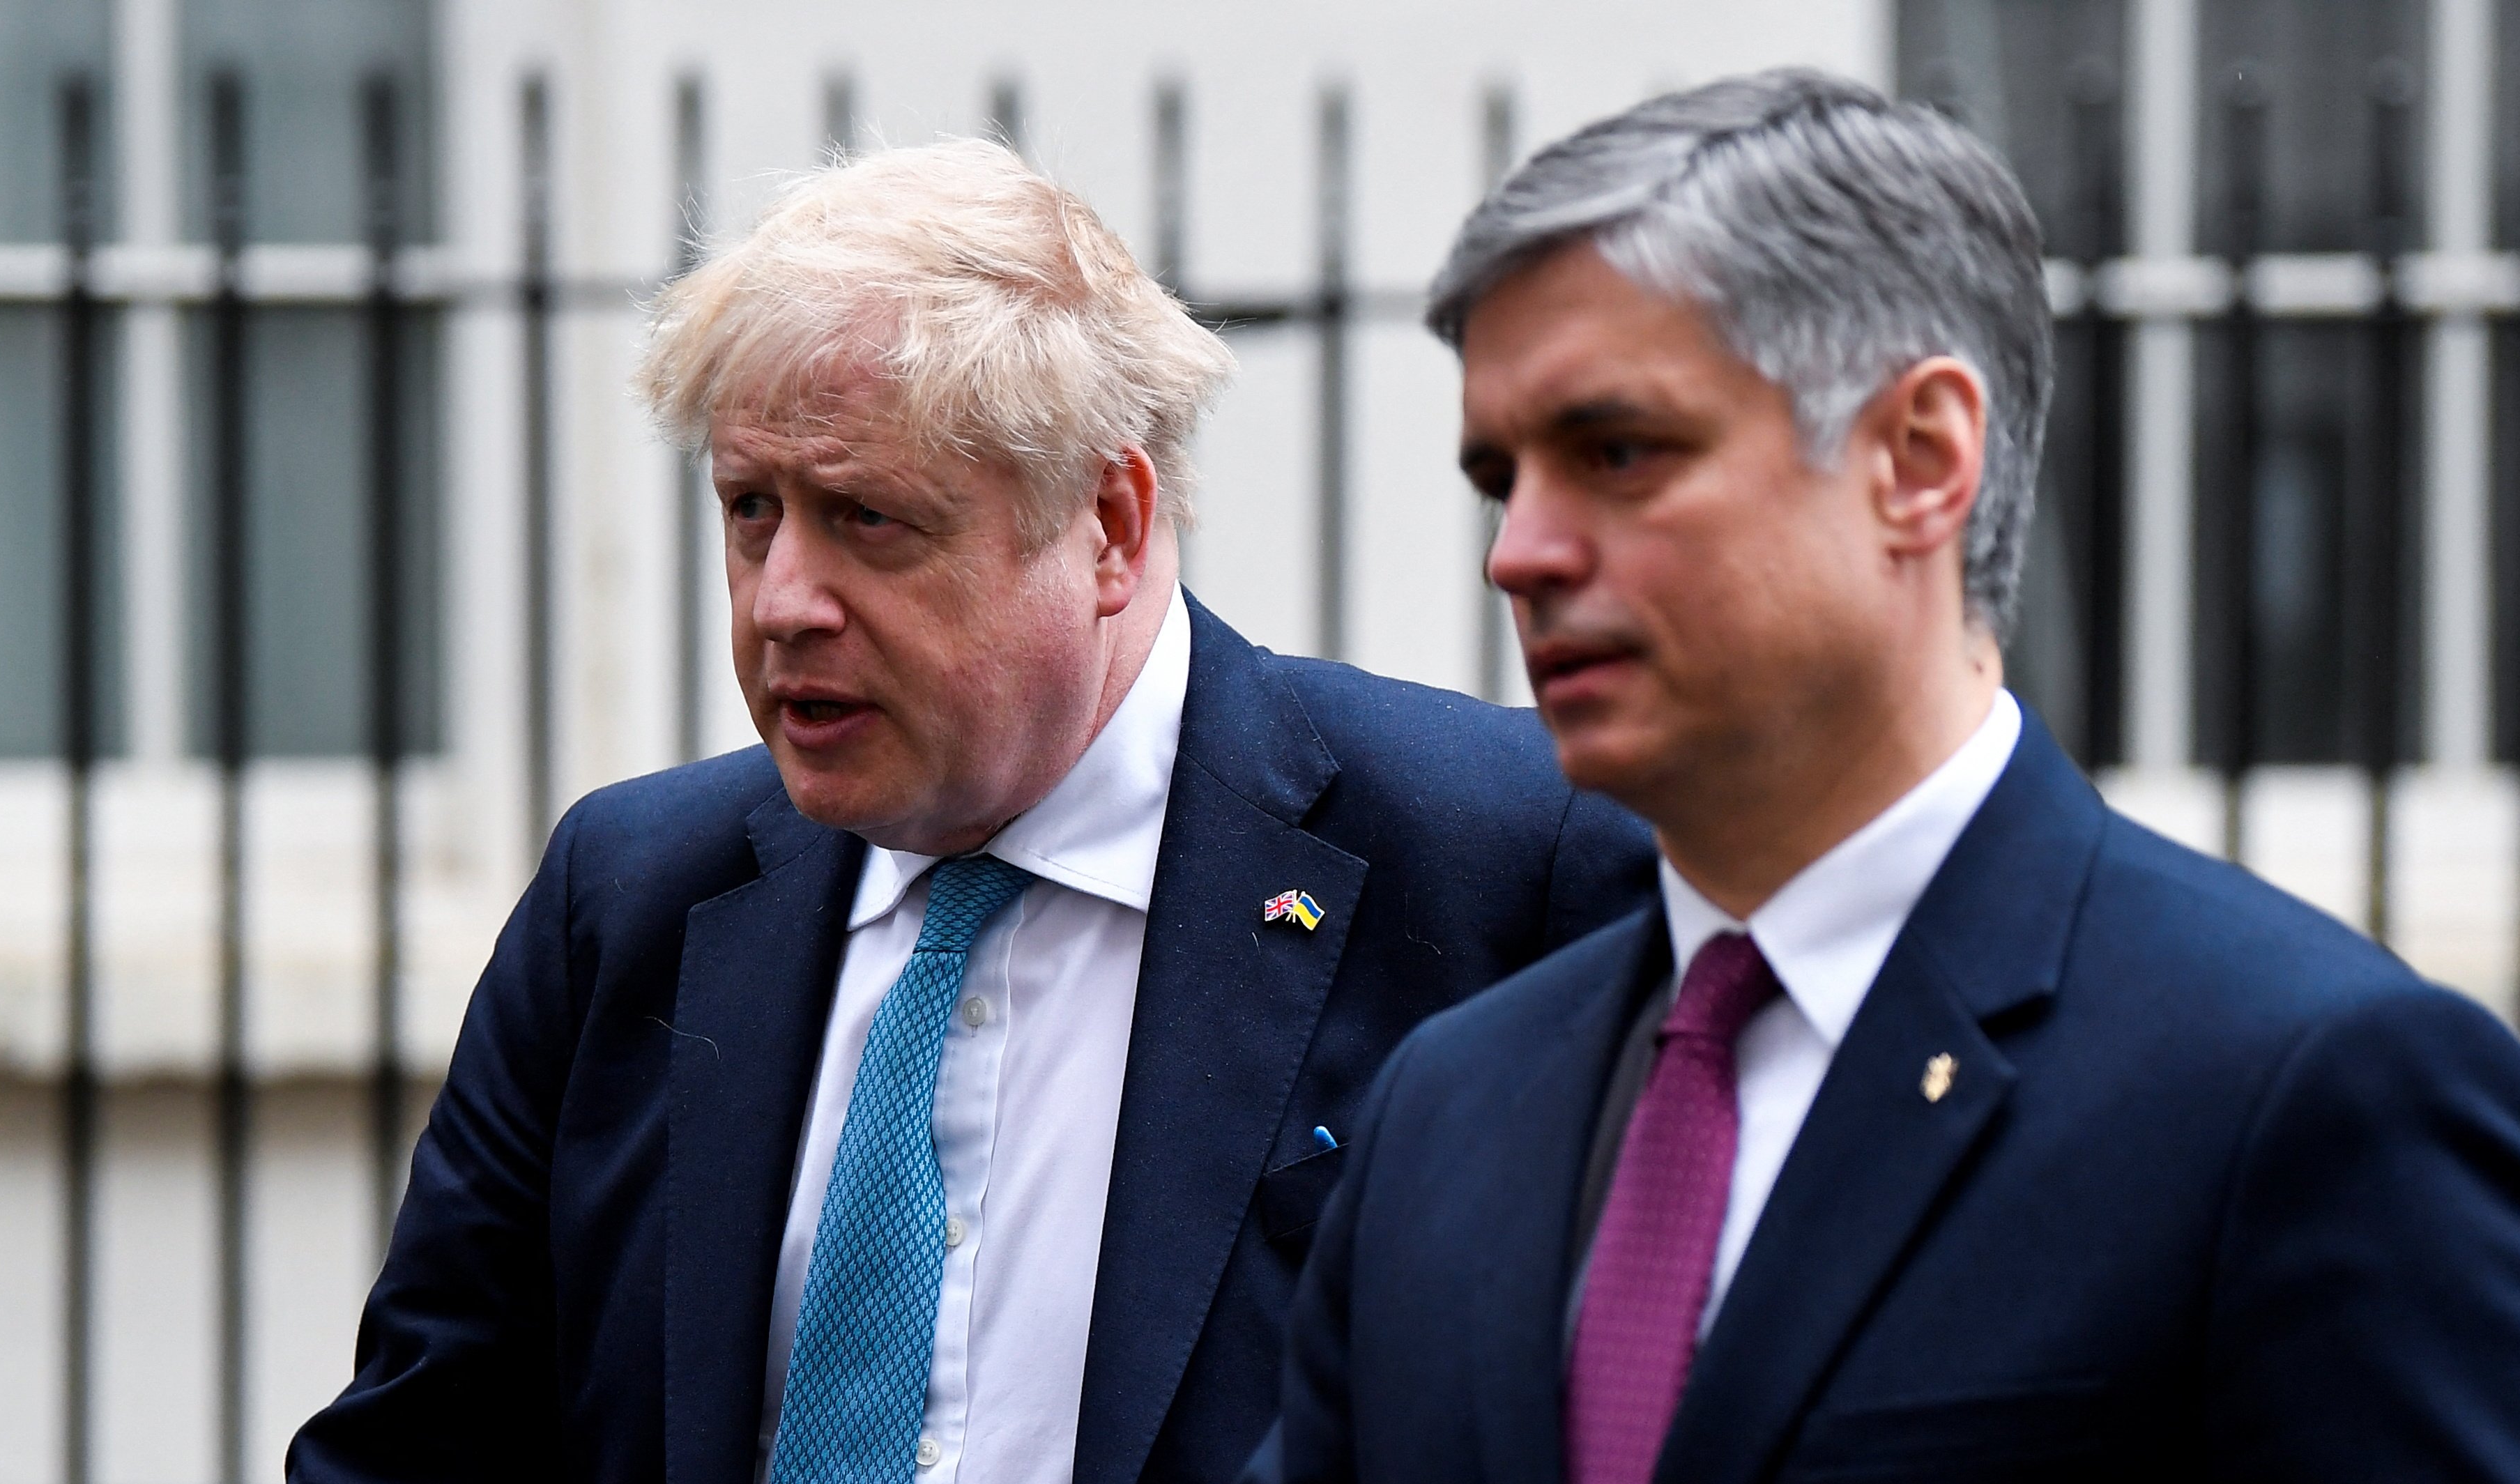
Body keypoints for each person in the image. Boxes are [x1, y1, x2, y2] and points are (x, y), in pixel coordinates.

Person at [1254, 69, 2520, 1484]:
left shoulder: (2315, 1092)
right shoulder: (1448, 1108)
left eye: (1618, 452)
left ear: (1919, 458)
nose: (1520, 552)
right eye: (1500, 477)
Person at [287, 140, 1651, 1484]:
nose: (781, 601)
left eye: (868, 517)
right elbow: (420, 1448)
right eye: (752, 510)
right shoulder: (629, 894)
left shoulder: (1505, 859)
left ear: (1110, 523)